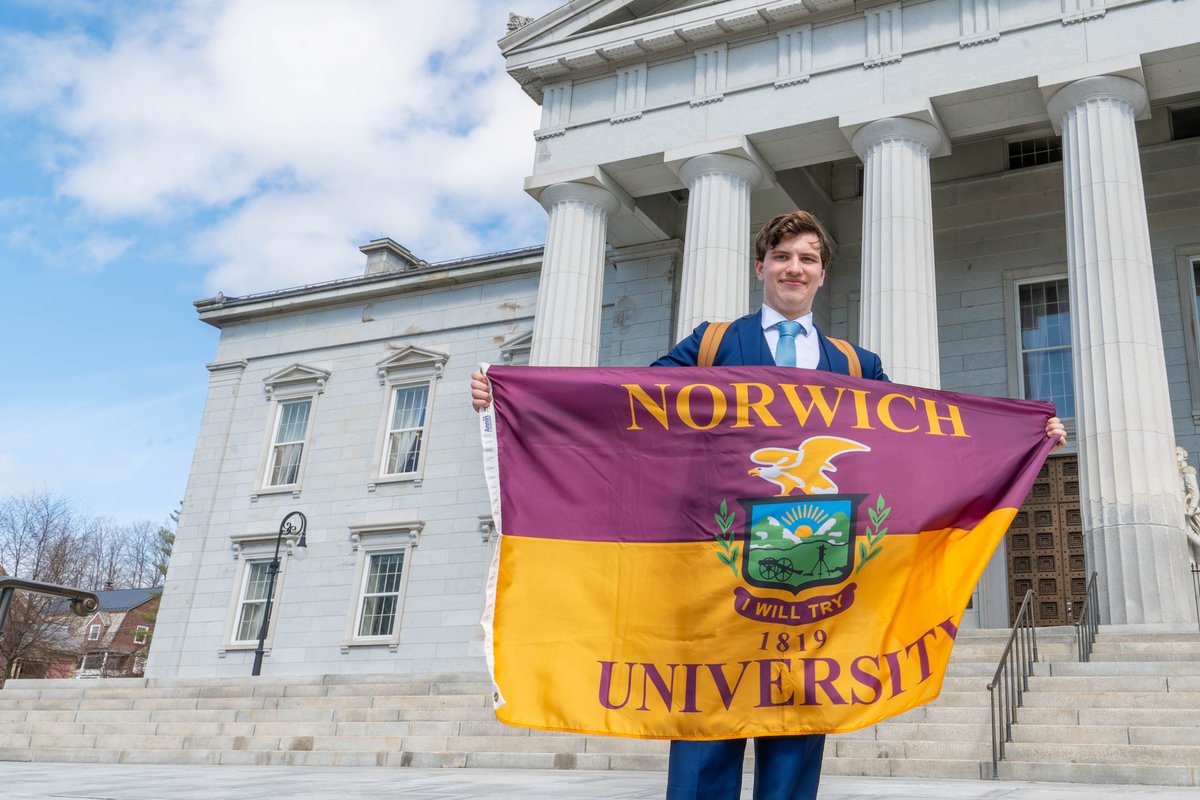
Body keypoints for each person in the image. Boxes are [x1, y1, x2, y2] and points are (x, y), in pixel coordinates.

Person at [471, 210, 1066, 800]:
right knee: (706, 725)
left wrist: (1024, 436)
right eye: (782, 257)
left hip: (820, 565)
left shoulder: (857, 366)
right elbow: (625, 410)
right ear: (761, 267)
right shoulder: (711, 343)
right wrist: (516, 398)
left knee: (797, 733)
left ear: (822, 275)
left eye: (807, 258)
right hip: (715, 563)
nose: (794, 267)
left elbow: (918, 444)